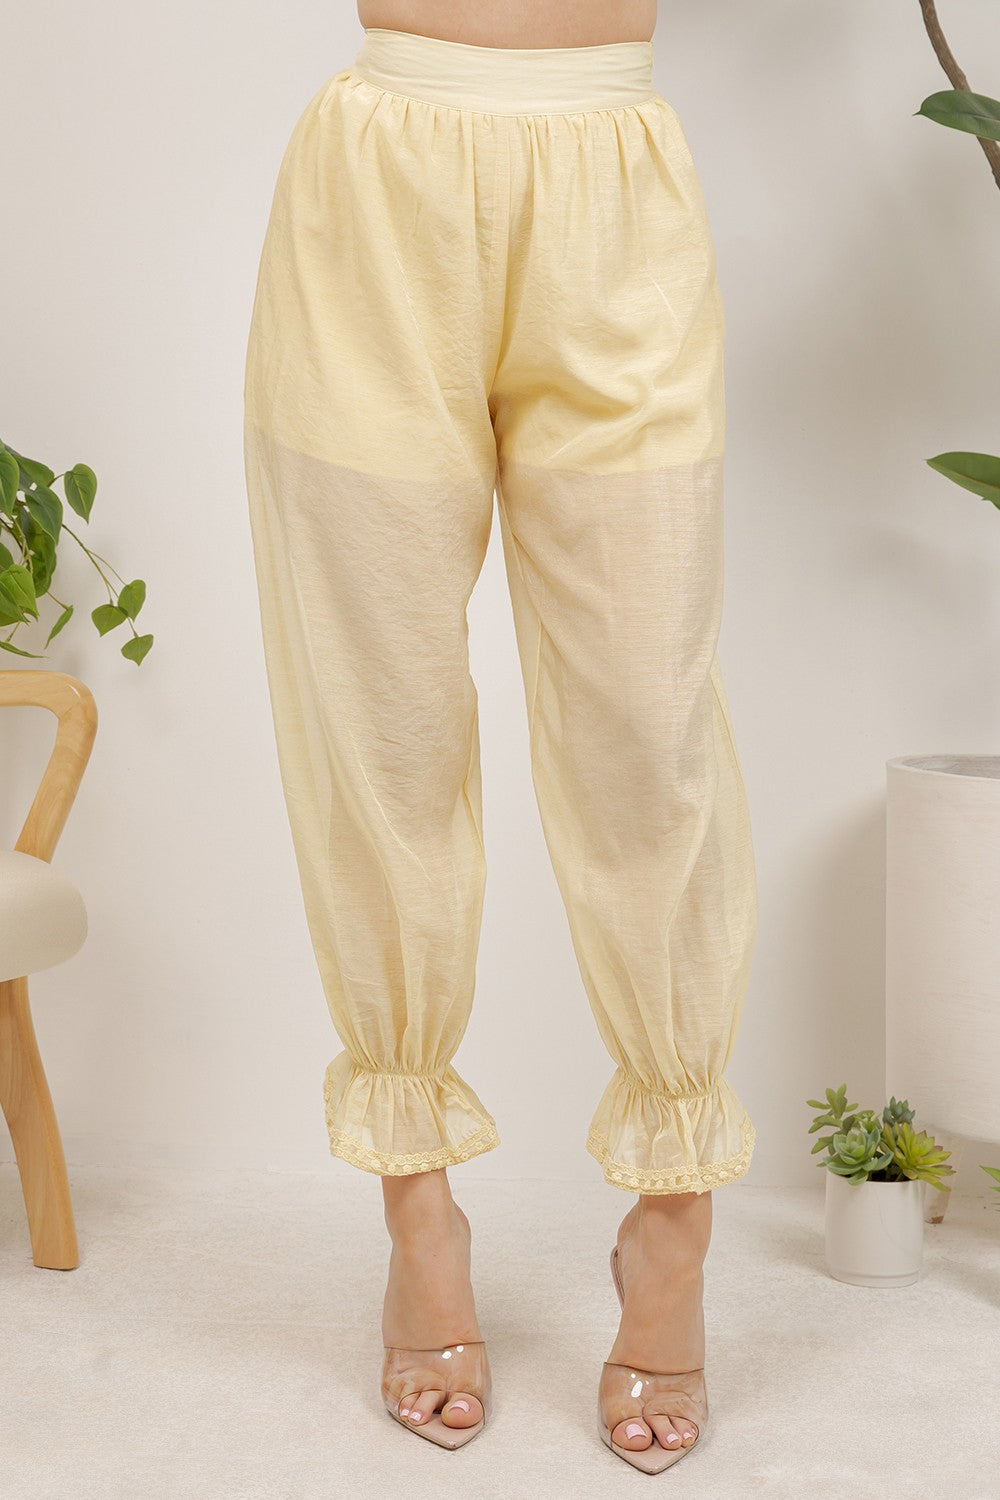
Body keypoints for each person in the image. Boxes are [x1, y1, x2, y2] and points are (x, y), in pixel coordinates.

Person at [242, 0, 758, 1472]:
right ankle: (419, 1217)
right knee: (379, 710)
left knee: (647, 726)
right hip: (377, 188)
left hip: (617, 181)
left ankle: (673, 1228)